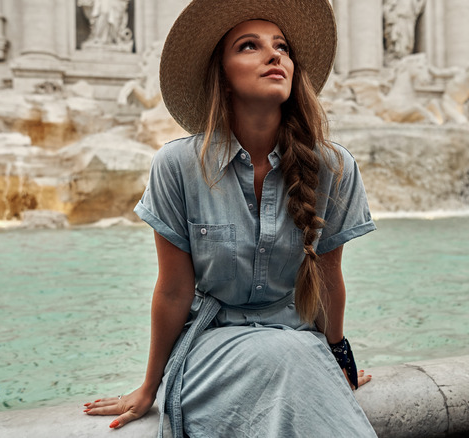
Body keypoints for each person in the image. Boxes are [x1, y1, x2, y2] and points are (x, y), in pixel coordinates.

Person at [84, 1, 377, 436]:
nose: (274, 55)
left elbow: (329, 275)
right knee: (288, 355)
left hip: (299, 343)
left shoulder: (334, 167)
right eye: (249, 46)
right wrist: (149, 386)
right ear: (221, 73)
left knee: (292, 353)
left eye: (282, 47)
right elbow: (173, 289)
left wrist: (338, 354)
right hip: (211, 348)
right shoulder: (176, 165)